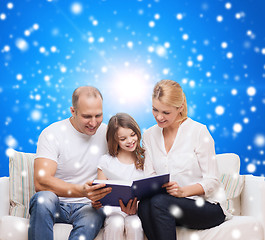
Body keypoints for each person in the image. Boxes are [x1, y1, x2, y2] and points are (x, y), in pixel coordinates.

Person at [138, 80, 228, 240]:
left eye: (166, 112)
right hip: (166, 207)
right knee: (144, 205)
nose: (159, 117)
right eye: (155, 110)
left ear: (180, 108)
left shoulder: (198, 131)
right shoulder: (149, 136)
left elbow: (213, 181)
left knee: (159, 202)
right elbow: (150, 176)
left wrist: (182, 192)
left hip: (205, 207)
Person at [28, 86, 112, 240]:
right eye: (87, 116)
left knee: (95, 214)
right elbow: (41, 182)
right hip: (56, 203)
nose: (93, 123)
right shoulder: (52, 133)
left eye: (98, 115)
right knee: (43, 198)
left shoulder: (109, 134)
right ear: (73, 111)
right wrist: (81, 190)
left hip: (90, 207)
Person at [94, 113, 145, 240]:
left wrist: (136, 207)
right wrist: (96, 201)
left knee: (135, 224)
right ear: (115, 140)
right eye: (123, 139)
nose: (130, 141)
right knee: (116, 223)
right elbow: (99, 192)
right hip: (113, 212)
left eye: (132, 135)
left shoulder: (145, 161)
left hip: (136, 212)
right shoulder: (106, 161)